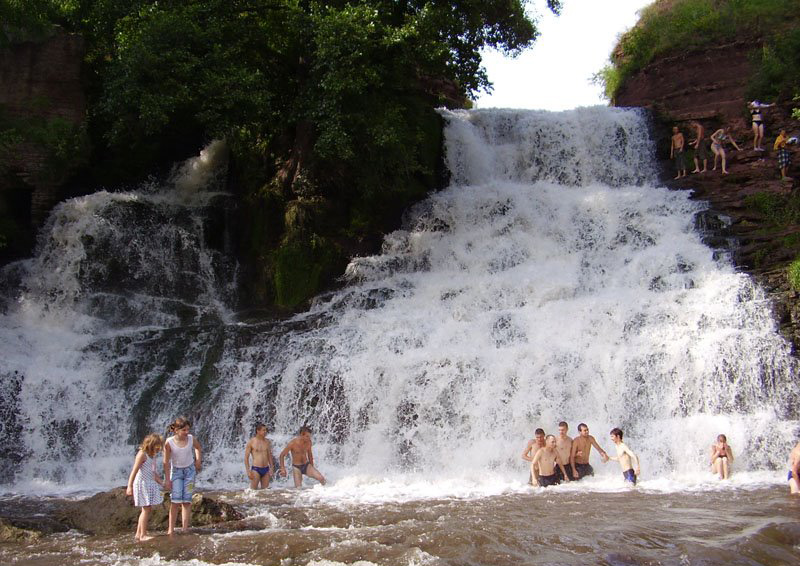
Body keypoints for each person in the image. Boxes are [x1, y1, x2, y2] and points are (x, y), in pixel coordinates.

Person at [163, 416, 202, 535]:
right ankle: (171, 529)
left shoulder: (191, 438)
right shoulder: (169, 442)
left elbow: (198, 448)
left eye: (188, 430)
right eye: (184, 430)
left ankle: (185, 528)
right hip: (176, 472)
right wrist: (167, 479)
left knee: (187, 501)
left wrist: (198, 461)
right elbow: (166, 462)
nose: (187, 432)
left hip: (190, 471)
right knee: (175, 501)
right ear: (176, 430)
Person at [125, 433, 164, 542]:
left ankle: (138, 534)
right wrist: (129, 486)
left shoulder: (152, 455)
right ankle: (143, 535)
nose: (159, 448)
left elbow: (153, 472)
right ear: (151, 444)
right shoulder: (142, 454)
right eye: (157, 445)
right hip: (141, 484)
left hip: (149, 483)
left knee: (146, 509)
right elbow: (134, 470)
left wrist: (162, 483)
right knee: (146, 509)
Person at [244, 423, 275, 489]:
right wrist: (248, 471)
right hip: (256, 469)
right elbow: (246, 458)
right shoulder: (251, 442)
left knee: (265, 491)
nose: (265, 432)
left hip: (266, 469)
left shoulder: (267, 442)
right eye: (263, 430)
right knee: (253, 490)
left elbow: (269, 456)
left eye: (266, 430)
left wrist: (271, 468)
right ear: (258, 431)